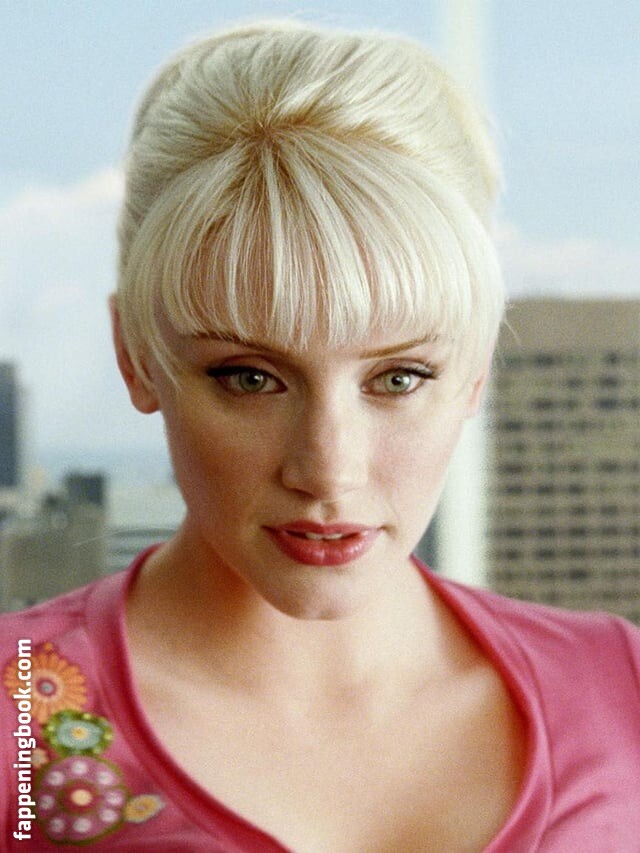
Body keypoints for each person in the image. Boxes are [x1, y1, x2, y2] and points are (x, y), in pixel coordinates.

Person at [1, 19, 639, 852]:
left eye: (399, 377)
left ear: (477, 368)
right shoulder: (16, 718)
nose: (328, 469)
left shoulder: (624, 695)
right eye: (249, 377)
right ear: (136, 356)